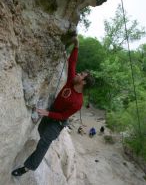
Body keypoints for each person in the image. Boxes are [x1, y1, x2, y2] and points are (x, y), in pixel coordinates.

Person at [12, 35, 95, 176]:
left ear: (84, 82)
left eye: (81, 75)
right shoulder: (71, 81)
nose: (77, 74)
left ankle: (26, 168)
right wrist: (76, 46)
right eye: (79, 73)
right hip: (51, 113)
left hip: (58, 122)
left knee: (44, 143)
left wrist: (47, 113)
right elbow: (72, 63)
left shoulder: (78, 102)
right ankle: (47, 139)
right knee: (40, 130)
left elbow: (63, 115)